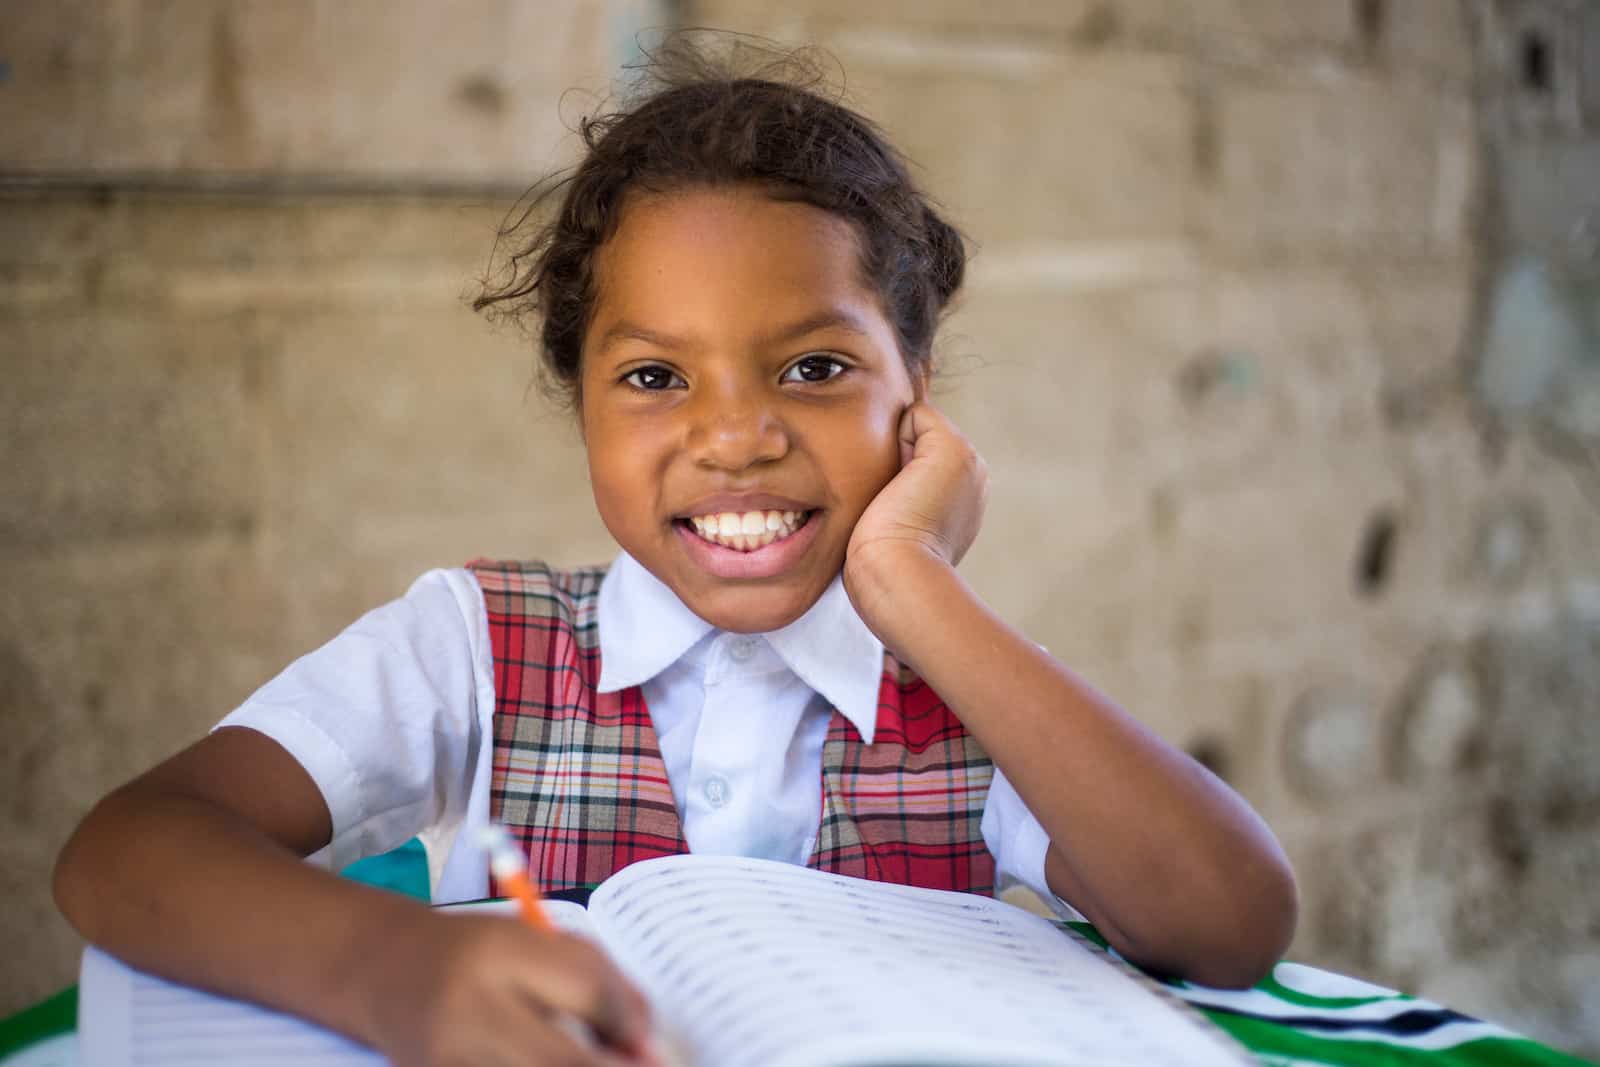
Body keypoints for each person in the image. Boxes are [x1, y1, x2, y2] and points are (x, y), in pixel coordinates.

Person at [54, 40, 1298, 1067]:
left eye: (815, 368)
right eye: (654, 376)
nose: (737, 438)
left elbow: (1228, 921)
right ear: (580, 403)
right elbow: (127, 846)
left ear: (915, 396)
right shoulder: (476, 647)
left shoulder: (973, 701)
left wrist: (915, 582)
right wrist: (401, 973)